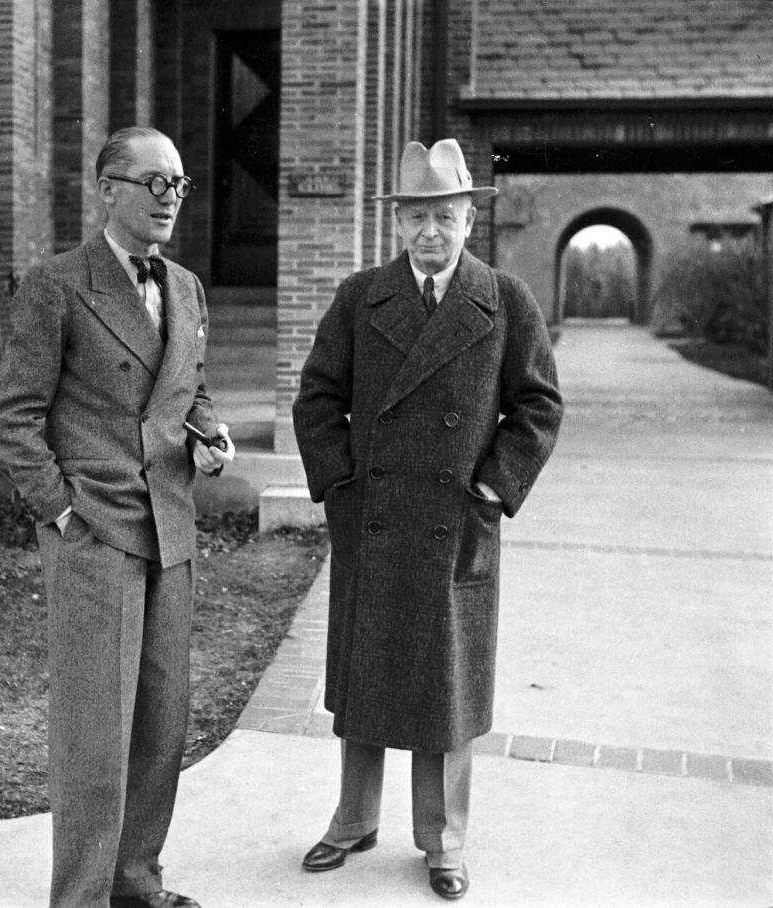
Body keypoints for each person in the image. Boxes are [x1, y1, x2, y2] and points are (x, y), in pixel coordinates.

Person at [291, 138, 563, 901]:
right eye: (416, 217)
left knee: (446, 689)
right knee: (365, 674)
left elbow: (538, 406)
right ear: (399, 224)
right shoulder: (359, 296)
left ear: (467, 221)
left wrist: (492, 489)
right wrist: (342, 487)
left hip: (455, 519)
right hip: (375, 519)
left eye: (444, 216)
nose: (429, 233)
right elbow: (316, 399)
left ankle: (443, 841)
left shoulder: (506, 300)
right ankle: (352, 820)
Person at [0, 125, 234, 908]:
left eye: (180, 184)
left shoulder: (187, 288)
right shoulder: (58, 285)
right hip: (94, 534)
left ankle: (136, 883)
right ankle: (82, 898)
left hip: (171, 528)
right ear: (109, 190)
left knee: (161, 725)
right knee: (96, 734)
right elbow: (11, 422)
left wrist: (210, 432)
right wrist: (60, 512)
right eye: (154, 182)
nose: (170, 199)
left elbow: (189, 390)